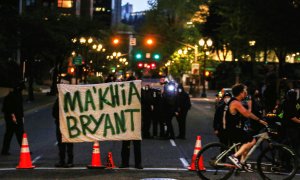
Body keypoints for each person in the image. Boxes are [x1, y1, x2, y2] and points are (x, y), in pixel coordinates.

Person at [227, 84, 267, 172]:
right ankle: (234, 157)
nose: (246, 92)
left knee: (246, 143)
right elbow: (247, 113)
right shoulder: (235, 103)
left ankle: (242, 163)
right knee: (252, 140)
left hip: (235, 128)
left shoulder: (235, 101)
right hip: (233, 130)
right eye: (245, 91)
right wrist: (259, 120)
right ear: (241, 93)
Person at [1, 83, 25, 155]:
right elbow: (11, 109)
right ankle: (23, 149)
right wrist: (15, 118)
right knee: (19, 134)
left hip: (12, 118)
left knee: (9, 134)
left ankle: (5, 150)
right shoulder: (14, 97)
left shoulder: (13, 96)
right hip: (14, 118)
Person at [52, 98, 74, 167]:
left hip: (62, 123)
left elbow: (54, 112)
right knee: (67, 143)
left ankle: (63, 161)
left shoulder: (59, 99)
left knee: (62, 143)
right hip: (66, 124)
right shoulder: (70, 99)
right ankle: (68, 161)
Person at [281, 89, 300, 158]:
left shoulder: (285, 102)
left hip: (286, 125)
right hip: (290, 126)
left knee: (289, 144)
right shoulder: (291, 103)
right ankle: (293, 160)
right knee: (293, 144)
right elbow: (292, 117)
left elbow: (297, 111)